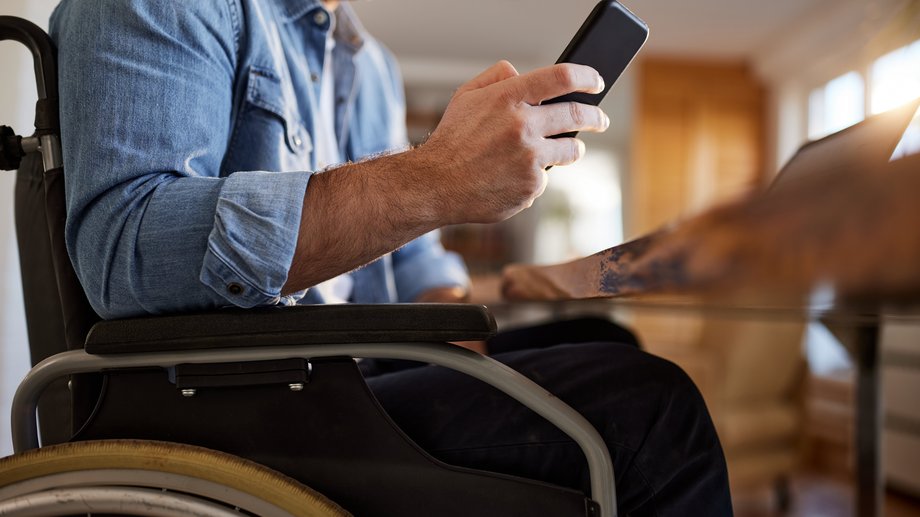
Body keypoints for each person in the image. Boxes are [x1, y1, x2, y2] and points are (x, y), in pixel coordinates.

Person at [49, 0, 733, 514]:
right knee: (653, 406)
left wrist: (515, 292)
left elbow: (414, 269)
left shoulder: (368, 65)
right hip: (241, 405)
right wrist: (434, 177)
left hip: (354, 367)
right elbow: (123, 250)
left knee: (601, 339)